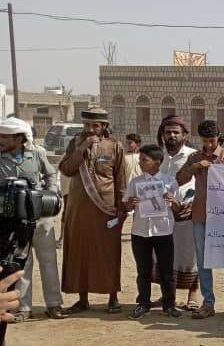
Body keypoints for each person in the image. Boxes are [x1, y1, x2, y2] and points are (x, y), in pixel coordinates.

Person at [58, 107, 127, 314]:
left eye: (95, 125)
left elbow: (120, 180)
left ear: (104, 126)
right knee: (79, 251)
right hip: (78, 209)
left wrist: (121, 208)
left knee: (108, 252)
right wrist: (82, 148)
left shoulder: (115, 146)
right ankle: (82, 299)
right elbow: (66, 169)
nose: (90, 129)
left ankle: (112, 297)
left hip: (105, 209)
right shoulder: (74, 144)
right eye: (87, 124)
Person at [176, 120, 224, 320]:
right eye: (205, 141)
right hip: (200, 214)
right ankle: (208, 302)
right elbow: (180, 179)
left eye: (212, 141)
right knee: (203, 260)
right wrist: (194, 167)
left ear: (218, 137)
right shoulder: (194, 157)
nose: (209, 145)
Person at [0, 117, 64, 320]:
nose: (1, 140)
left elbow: (50, 174)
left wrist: (49, 195)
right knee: (22, 264)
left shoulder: (37, 153)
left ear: (19, 139)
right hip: (14, 221)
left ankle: (54, 304)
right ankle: (24, 307)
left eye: (5, 137)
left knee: (48, 261)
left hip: (40, 217)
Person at [123, 144, 183, 319]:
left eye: (144, 160)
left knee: (166, 271)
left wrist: (172, 200)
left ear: (157, 162)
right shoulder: (135, 182)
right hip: (140, 232)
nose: (140, 163)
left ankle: (169, 305)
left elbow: (178, 207)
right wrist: (131, 203)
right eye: (140, 160)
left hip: (163, 231)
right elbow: (126, 206)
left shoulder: (169, 181)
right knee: (143, 271)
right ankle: (143, 303)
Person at [155, 116, 200, 310]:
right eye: (168, 132)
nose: (172, 136)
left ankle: (193, 295)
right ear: (163, 135)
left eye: (176, 132)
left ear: (184, 135)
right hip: (162, 213)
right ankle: (167, 295)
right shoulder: (159, 156)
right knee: (164, 255)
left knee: (190, 254)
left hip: (187, 212)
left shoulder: (193, 155)